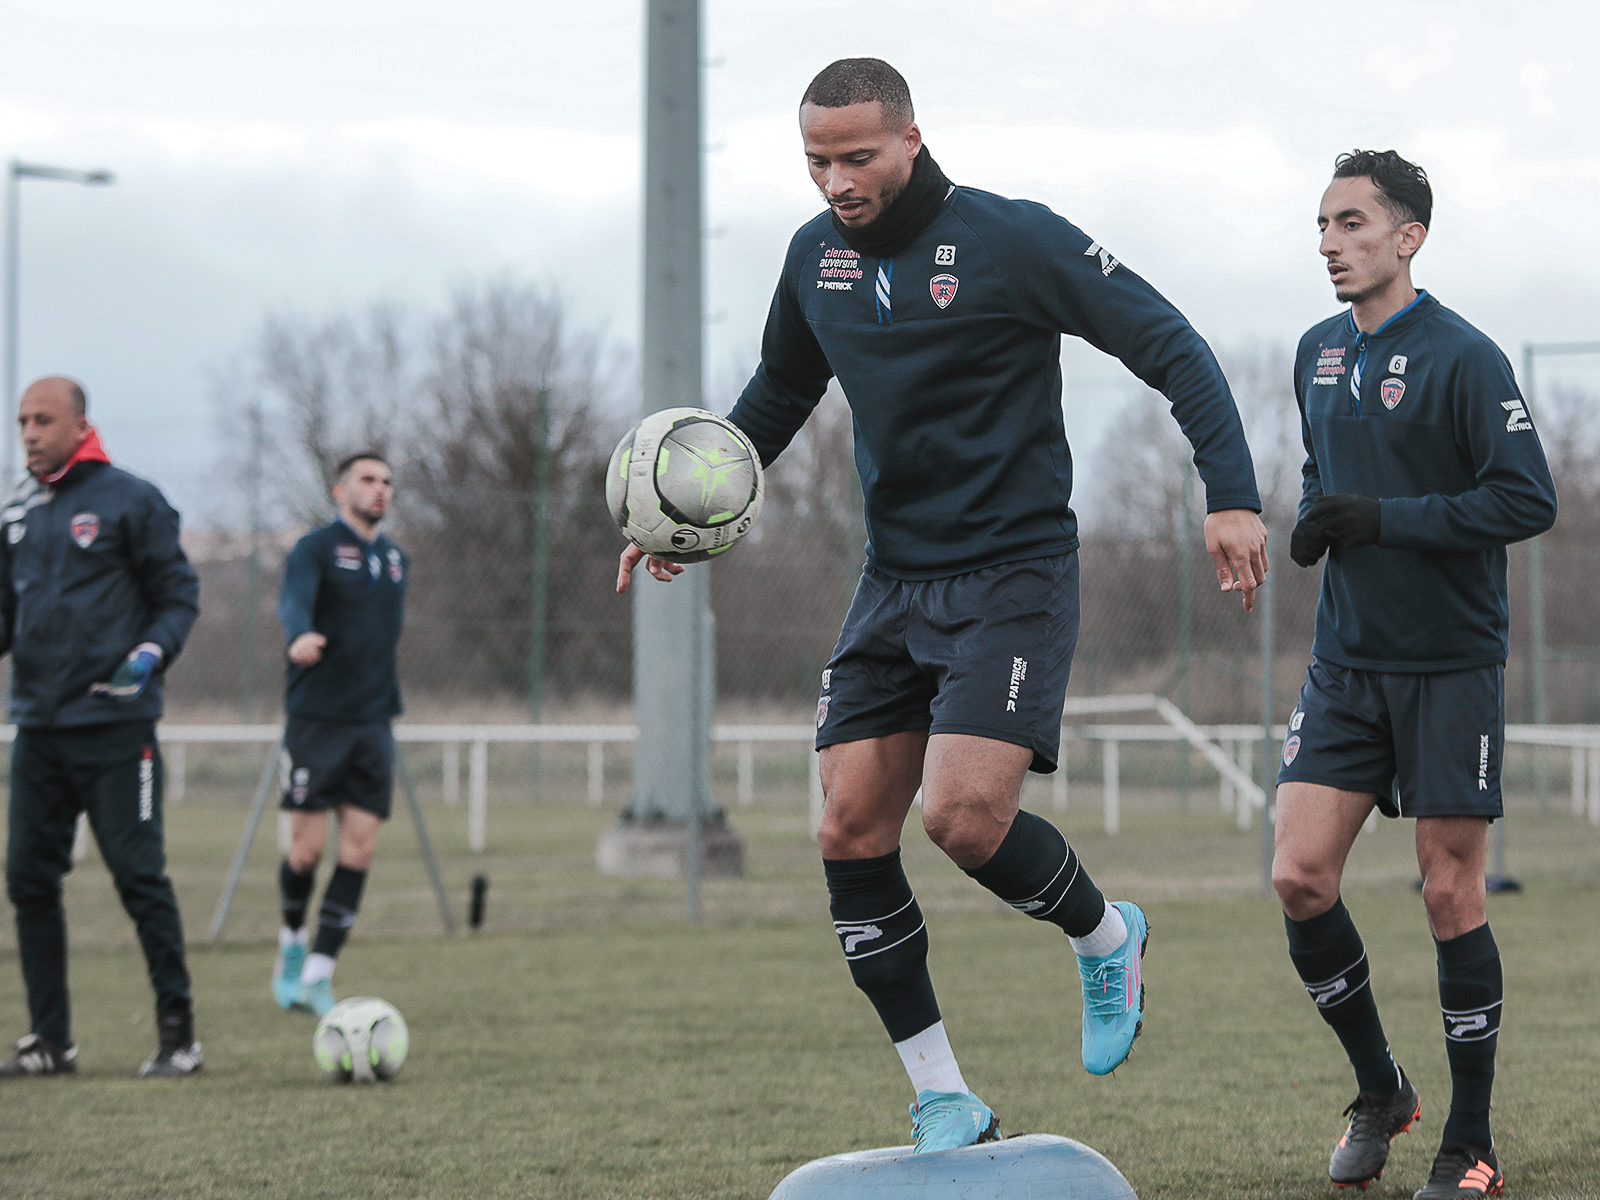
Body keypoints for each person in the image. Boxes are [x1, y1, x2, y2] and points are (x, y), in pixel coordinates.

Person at [617, 58, 1267, 1152]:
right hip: (894, 577)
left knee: (961, 819)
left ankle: (1107, 938)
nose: (836, 180)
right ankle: (942, 1098)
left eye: (857, 155)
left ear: (912, 138)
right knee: (845, 827)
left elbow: (1170, 346)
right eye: (817, 160)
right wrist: (690, 515)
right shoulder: (811, 258)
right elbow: (779, 391)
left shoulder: (1013, 239)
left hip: (1013, 572)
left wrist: (1232, 496)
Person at [1274, 150, 1556, 1199]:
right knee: (1298, 876)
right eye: (1321, 224)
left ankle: (1469, 1141)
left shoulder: (1465, 358)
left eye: (1350, 223)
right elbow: (1321, 470)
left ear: (1407, 237)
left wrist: (1384, 521)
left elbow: (1528, 501)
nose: (1328, 243)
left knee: (1448, 893)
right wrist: (1317, 517)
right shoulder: (1311, 353)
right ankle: (1381, 1089)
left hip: (1449, 666)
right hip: (1345, 664)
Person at [0, 377, 202, 1078]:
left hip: (117, 727)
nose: (28, 432)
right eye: (21, 420)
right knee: (27, 879)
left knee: (139, 877)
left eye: (42, 420)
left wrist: (150, 653)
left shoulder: (131, 500)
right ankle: (51, 1041)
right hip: (38, 727)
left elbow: (177, 596)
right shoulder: (17, 511)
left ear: (80, 424)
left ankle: (179, 1037)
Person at [270, 453, 407, 1017]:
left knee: (361, 849)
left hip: (374, 721)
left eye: (387, 483)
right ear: (340, 489)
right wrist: (300, 634)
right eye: (369, 480)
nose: (380, 490)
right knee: (305, 852)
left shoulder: (396, 559)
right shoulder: (315, 548)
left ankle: (321, 976)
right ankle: (292, 946)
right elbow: (293, 600)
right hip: (317, 719)